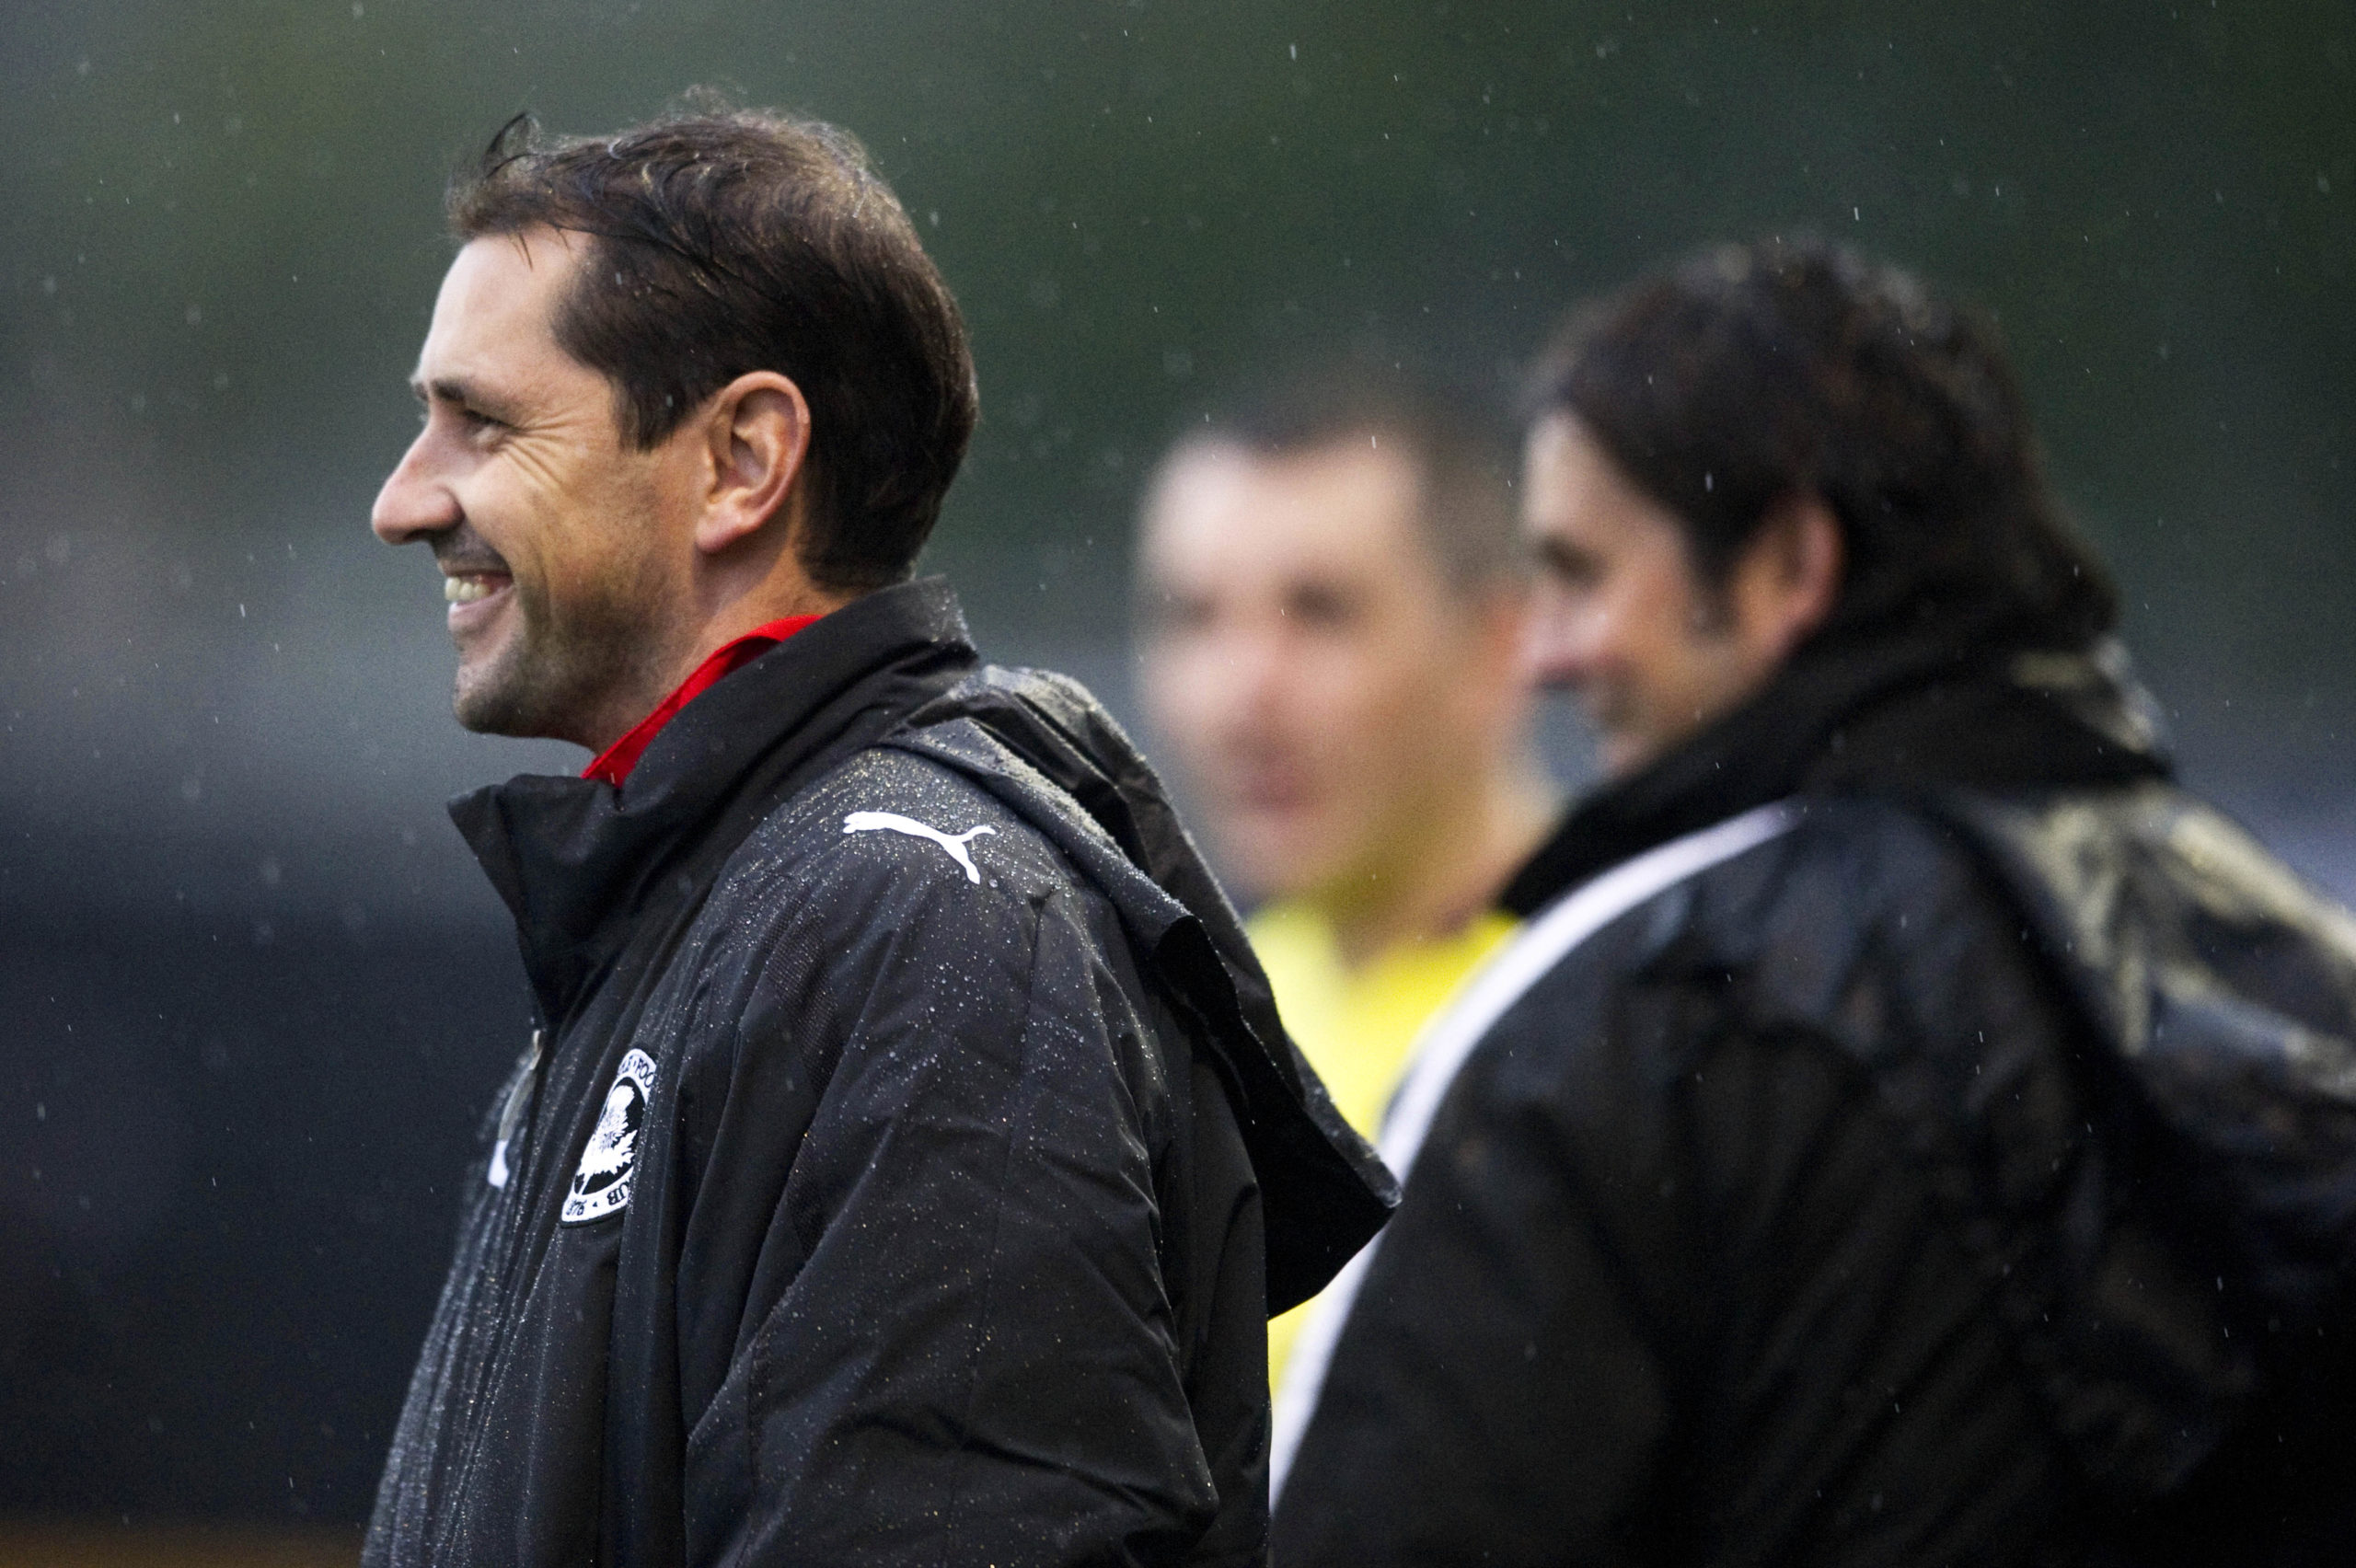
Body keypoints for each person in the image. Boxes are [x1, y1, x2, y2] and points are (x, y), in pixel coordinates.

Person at [361, 105, 1392, 1568]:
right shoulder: (723, 902)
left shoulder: (920, 928)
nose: (405, 499)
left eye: (484, 423)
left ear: (743, 458)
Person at [1271, 238, 2356, 1565]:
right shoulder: (2297, 957)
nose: (1548, 653)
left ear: (1789, 565)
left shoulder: (1635, 1004)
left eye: (1582, 573)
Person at [1134, 376, 1555, 1385]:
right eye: (1195, 618)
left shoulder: (1617, 1000)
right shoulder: (1192, 1010)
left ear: (1497, 646)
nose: (1245, 692)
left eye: (1320, 614)